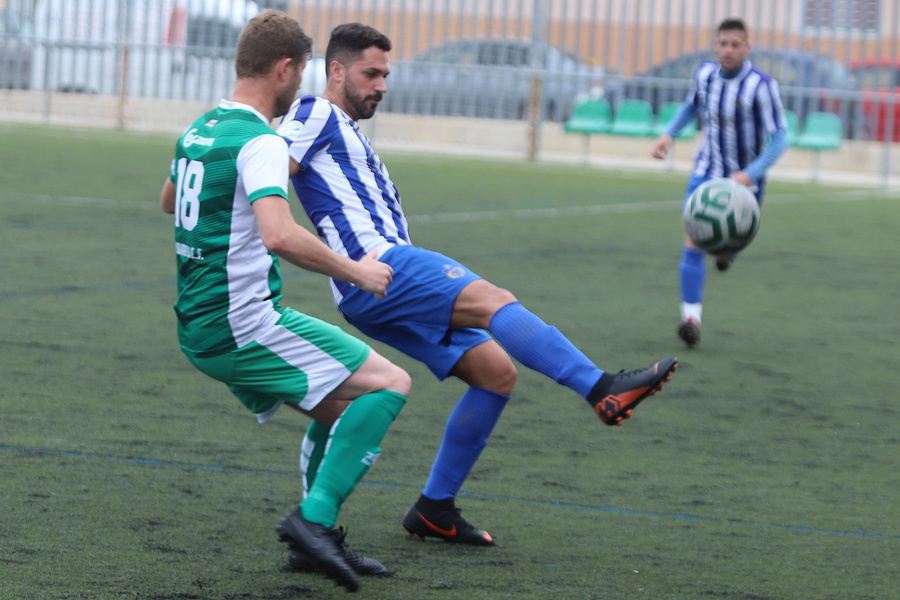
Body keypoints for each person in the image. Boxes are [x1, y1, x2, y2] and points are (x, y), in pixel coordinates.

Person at [277, 22, 677, 549]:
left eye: (386, 75)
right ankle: (602, 389)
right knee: (493, 300)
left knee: (495, 373)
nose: (381, 84)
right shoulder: (315, 112)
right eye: (370, 73)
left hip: (372, 286)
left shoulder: (348, 129)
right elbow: (266, 178)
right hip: (379, 266)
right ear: (335, 70)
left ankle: (434, 509)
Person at [158, 11, 411, 592]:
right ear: (285, 68)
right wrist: (357, 271)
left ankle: (311, 546)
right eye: (300, 74)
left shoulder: (201, 129)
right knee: (390, 384)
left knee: (341, 411)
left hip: (200, 322)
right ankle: (313, 522)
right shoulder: (261, 140)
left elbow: (170, 199)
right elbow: (279, 233)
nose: (301, 87)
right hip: (242, 324)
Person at [650, 18, 788, 347]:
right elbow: (691, 105)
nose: (728, 50)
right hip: (706, 173)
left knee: (729, 245)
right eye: (723, 43)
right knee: (694, 238)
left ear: (746, 47)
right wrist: (669, 134)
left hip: (746, 180)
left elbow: (780, 138)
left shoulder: (762, 85)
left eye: (735, 44)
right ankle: (690, 317)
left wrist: (749, 175)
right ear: (716, 45)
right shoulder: (704, 74)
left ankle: (728, 254)